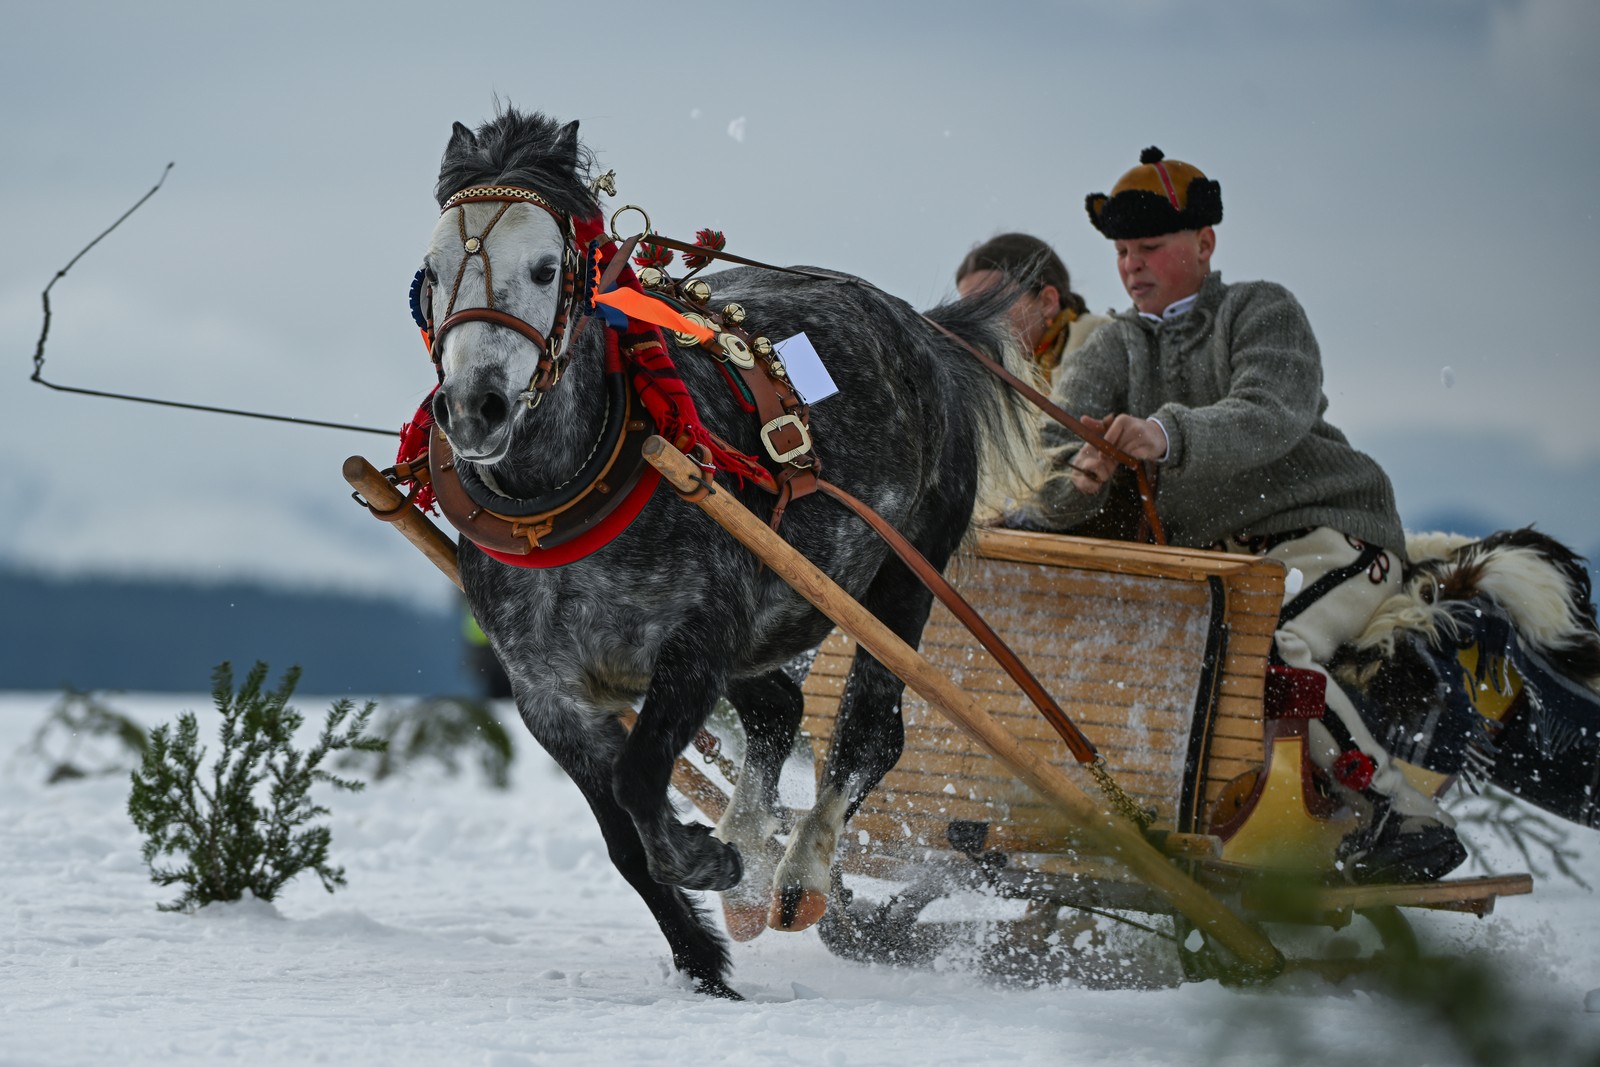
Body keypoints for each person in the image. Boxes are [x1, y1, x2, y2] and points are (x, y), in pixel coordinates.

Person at [1019, 147, 1463, 881]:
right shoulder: (1114, 347)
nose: (1131, 265)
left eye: (1150, 247)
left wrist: (1162, 435)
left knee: (1268, 646)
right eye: (1123, 251)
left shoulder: (1263, 309)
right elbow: (1053, 460)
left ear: (1204, 244)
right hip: (1229, 561)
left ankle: (1401, 811)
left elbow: (1267, 415)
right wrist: (1084, 480)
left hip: (1333, 531)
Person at [955, 233, 1111, 381]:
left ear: (1047, 302)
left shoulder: (1106, 342)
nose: (978, 320)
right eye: (968, 312)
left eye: (993, 303)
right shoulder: (992, 386)